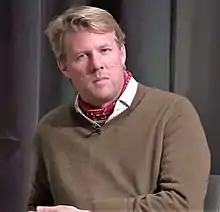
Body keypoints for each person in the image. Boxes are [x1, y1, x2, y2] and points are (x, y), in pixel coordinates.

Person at [28, 5, 210, 212]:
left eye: (104, 51)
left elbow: (183, 205)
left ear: (122, 53)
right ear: (64, 67)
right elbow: (38, 206)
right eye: (82, 56)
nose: (97, 65)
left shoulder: (173, 113)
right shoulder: (51, 128)